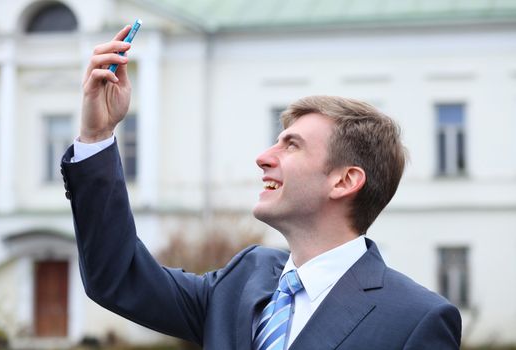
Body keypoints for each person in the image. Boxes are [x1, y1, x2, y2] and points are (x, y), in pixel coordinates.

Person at [61, 25, 462, 350]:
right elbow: (117, 277)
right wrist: (97, 135)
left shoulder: (416, 320)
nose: (263, 157)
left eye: (292, 145)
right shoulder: (243, 279)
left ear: (344, 180)